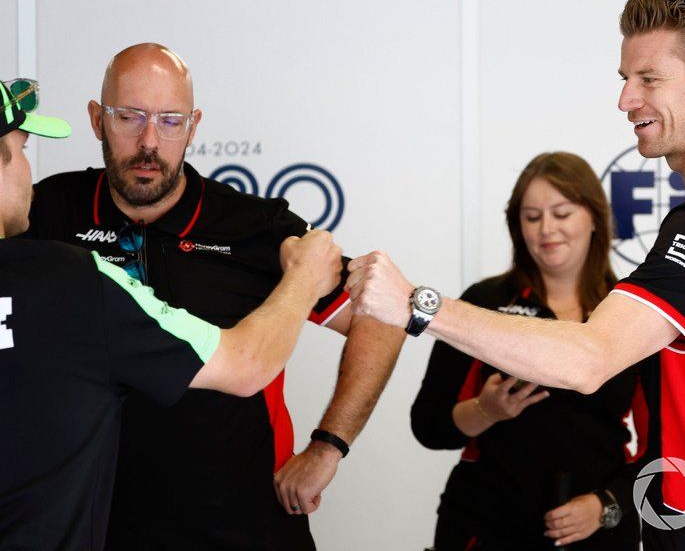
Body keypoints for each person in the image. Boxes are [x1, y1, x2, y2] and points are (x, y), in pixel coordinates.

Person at [347, 0, 685, 551]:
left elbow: (589, 359)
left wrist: (416, 305)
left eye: (649, 80)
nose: (625, 101)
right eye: (625, 79)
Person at [22, 43, 406, 550]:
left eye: (170, 121)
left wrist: (329, 446)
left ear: (194, 125)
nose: (148, 142)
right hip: (96, 528)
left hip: (244, 528)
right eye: (129, 117)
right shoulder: (46, 211)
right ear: (97, 119)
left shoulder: (256, 227)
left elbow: (380, 318)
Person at [411, 152, 646, 550]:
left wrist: (606, 506)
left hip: (598, 534)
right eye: (532, 217)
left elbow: (664, 449)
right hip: (485, 526)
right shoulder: (483, 302)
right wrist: (486, 410)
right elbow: (429, 426)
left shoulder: (633, 313)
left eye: (561, 213)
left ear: (594, 217)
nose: (546, 229)